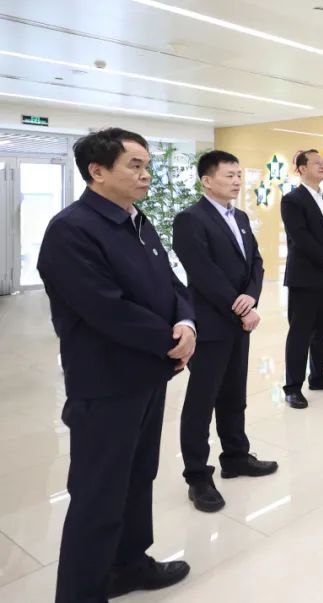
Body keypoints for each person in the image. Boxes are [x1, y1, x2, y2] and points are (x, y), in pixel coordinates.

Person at [37, 128, 194, 602]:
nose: (146, 175)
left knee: (139, 476)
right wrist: (169, 342)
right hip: (105, 383)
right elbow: (105, 308)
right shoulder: (71, 230)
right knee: (98, 493)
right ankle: (82, 592)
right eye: (134, 165)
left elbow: (172, 283)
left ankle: (129, 564)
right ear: (97, 171)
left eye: (147, 165)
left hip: (149, 375)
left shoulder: (137, 221)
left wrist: (186, 322)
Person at [173, 151, 278, 514]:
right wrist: (241, 307)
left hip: (238, 323)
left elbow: (256, 263)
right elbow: (202, 272)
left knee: (234, 394)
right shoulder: (190, 219)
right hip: (211, 324)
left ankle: (235, 456)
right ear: (206, 181)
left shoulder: (241, 217)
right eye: (229, 175)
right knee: (202, 402)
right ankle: (197, 476)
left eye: (238, 175)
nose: (236, 181)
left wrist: (251, 296)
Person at [280, 149, 323, 409]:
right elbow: (300, 237)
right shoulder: (292, 200)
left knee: (322, 330)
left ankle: (319, 376)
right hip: (305, 277)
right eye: (317, 163)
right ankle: (292, 387)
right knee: (300, 333)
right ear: (301, 168)